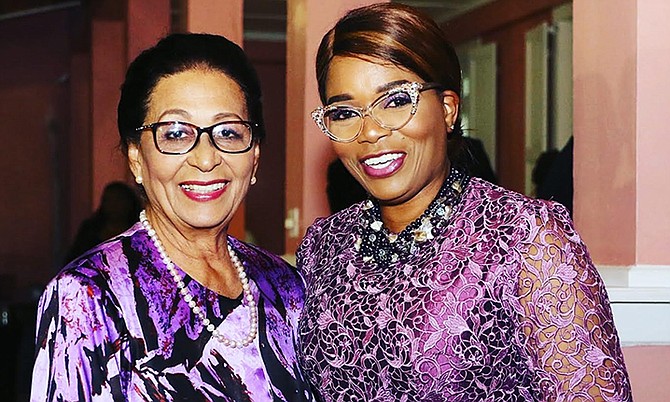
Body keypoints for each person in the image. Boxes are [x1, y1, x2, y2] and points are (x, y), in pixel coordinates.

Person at [296, 3, 631, 401]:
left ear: (448, 109)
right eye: (345, 111)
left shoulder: (525, 237)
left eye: (396, 101)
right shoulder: (324, 245)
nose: (370, 131)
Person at [31, 33, 314, 401]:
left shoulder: (285, 287)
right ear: (136, 157)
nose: (206, 158)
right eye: (176, 133)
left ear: (254, 157)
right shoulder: (89, 295)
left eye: (228, 132)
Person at [64, 181, 143, 264]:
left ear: (130, 203)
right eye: (108, 200)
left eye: (118, 200)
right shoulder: (90, 230)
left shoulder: (140, 231)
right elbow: (74, 260)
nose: (113, 205)